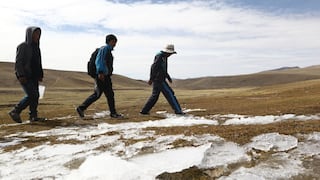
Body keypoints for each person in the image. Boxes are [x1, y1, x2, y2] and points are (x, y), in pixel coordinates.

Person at [76, 34, 123, 119]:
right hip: (102, 75)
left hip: (105, 75)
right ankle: (81, 108)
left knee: (109, 95)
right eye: (114, 41)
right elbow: (99, 61)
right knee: (97, 94)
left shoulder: (107, 50)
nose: (115, 43)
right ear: (110, 41)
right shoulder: (104, 49)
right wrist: (100, 72)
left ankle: (113, 113)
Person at [9, 26, 45, 123]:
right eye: (35, 33)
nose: (37, 36)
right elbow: (19, 62)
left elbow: (38, 62)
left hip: (34, 76)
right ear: (30, 34)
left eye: (39, 34)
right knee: (32, 95)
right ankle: (15, 111)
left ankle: (33, 116)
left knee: (36, 96)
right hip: (25, 75)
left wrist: (40, 74)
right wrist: (21, 75)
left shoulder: (37, 48)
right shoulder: (23, 46)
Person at [140, 44, 185, 115]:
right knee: (170, 94)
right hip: (159, 80)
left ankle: (144, 111)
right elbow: (154, 67)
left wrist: (168, 77)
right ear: (167, 52)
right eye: (170, 53)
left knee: (155, 96)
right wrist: (151, 78)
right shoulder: (160, 56)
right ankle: (178, 111)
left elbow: (163, 69)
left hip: (159, 79)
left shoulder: (164, 56)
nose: (170, 55)